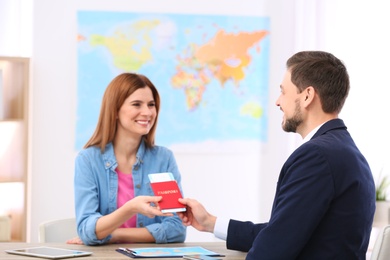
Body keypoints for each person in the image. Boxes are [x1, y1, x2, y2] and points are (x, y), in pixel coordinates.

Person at [178, 51, 376, 259]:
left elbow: (273, 249)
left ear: (307, 96)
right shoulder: (343, 149)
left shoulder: (317, 156)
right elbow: (283, 230)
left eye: (283, 92)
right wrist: (211, 223)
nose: (278, 102)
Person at [70, 72, 186, 245]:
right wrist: (130, 208)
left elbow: (176, 228)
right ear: (115, 110)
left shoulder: (163, 159)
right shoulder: (88, 160)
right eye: (136, 104)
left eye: (151, 105)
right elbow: (87, 230)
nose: (147, 112)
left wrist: (114, 234)